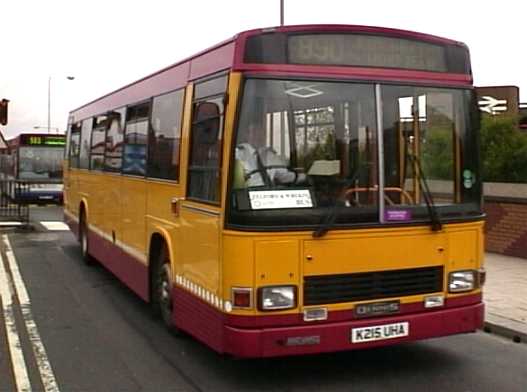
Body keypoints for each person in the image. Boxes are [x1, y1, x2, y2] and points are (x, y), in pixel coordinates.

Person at [234, 122, 305, 188]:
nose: (258, 136)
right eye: (254, 132)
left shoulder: (269, 154)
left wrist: (303, 177)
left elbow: (283, 175)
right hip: (248, 193)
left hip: (269, 193)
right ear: (247, 135)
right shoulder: (239, 153)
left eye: (261, 133)